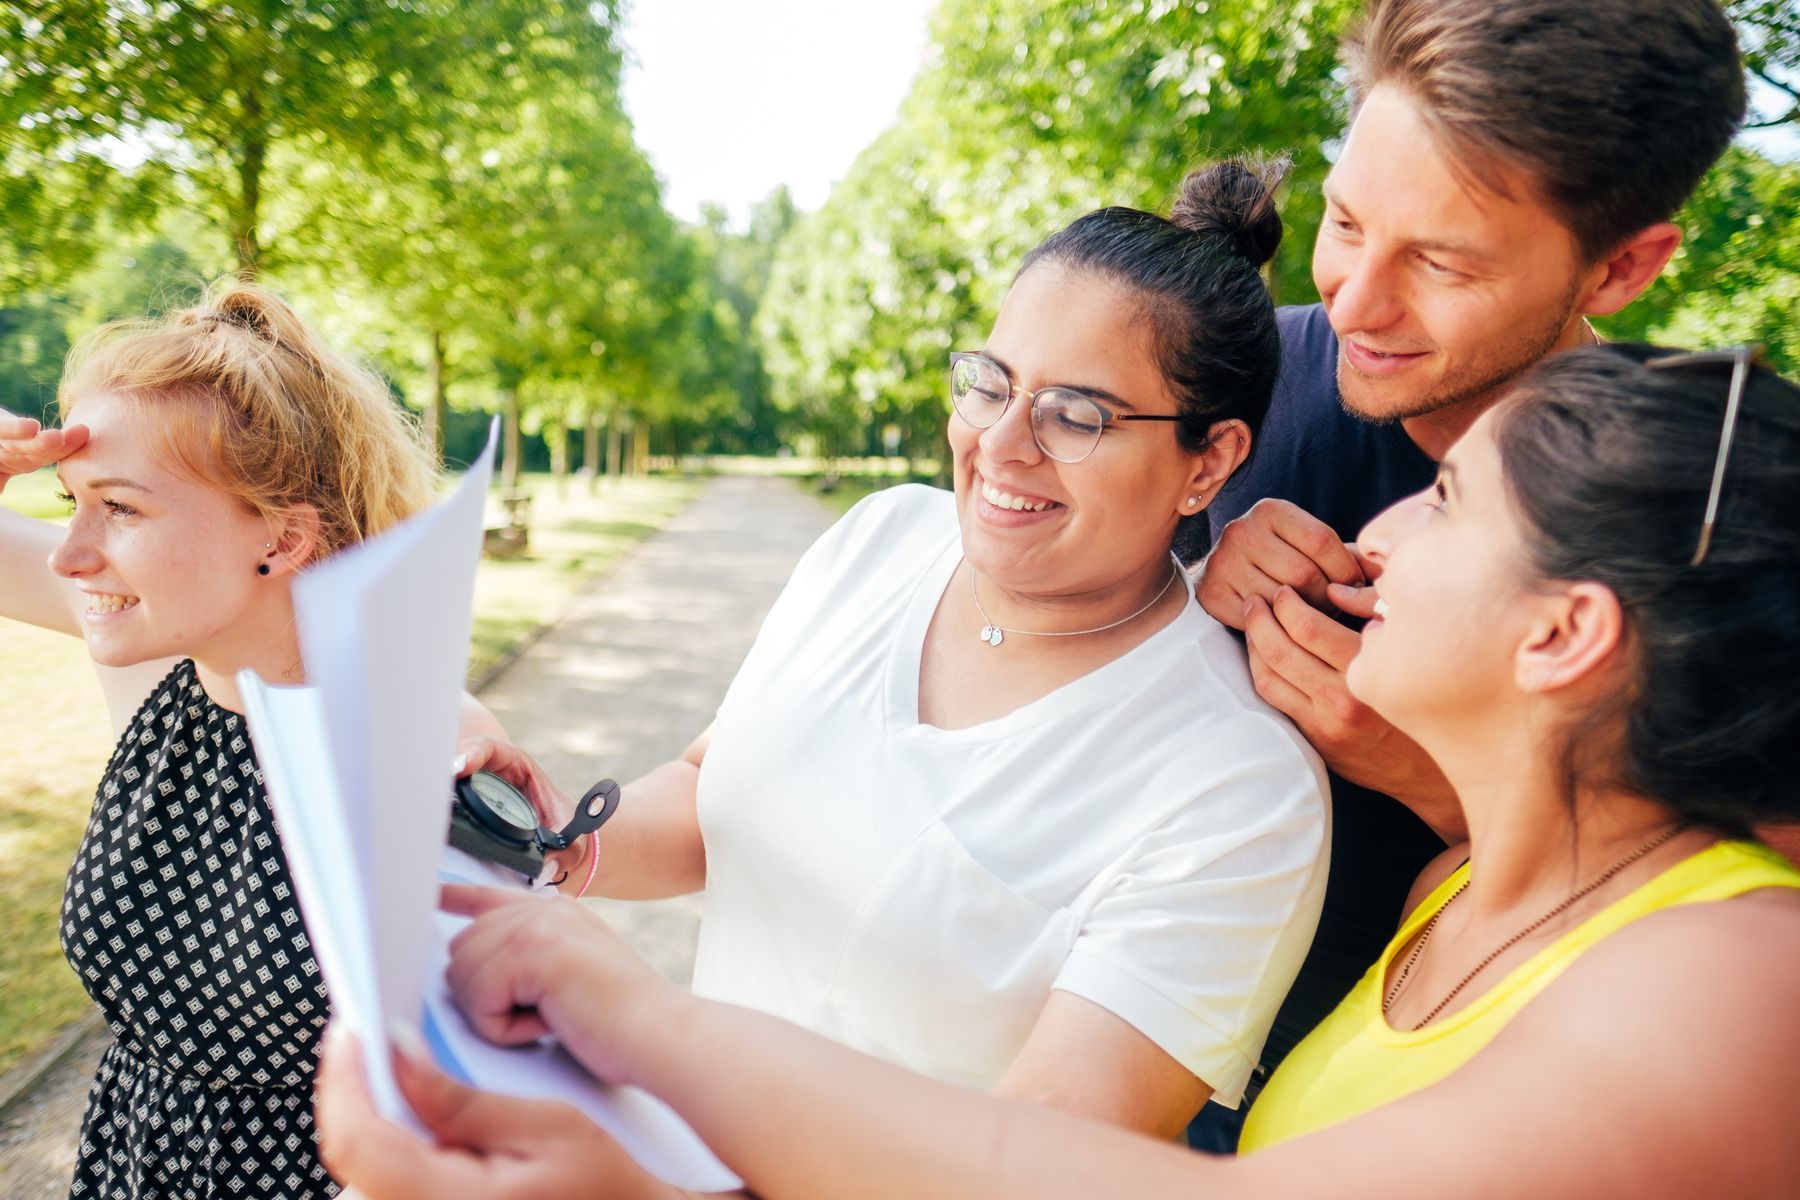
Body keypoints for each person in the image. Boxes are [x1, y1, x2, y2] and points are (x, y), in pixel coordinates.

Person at [317, 343, 1800, 1198]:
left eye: (1451, 498)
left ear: (1565, 632)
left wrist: (639, 1039)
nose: (1379, 529)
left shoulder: (1739, 976)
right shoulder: (1453, 883)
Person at [455, 159, 1329, 1139]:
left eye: (1075, 416)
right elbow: (714, 791)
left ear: (1208, 462)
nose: (1002, 445)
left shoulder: (1242, 791)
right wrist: (548, 835)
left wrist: (649, 1047)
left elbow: (1037, 1165)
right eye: (991, 385)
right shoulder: (877, 539)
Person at [1185, 0, 1765, 1144]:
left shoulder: (1694, 506)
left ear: (1623, 267)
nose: (1354, 304)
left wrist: (1436, 780)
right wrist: (1175, 583)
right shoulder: (1227, 378)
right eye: (1346, 222)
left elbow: (1718, 901)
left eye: (1439, 262)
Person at [0, 281, 511, 1199]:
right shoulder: (159, 655)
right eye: (68, 500)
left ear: (280, 538)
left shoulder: (425, 736)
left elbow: (490, 1088)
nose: (69, 554)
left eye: (117, 507)